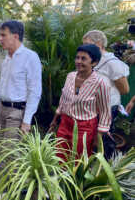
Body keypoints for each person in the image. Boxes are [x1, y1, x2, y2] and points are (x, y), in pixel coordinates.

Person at [49, 44, 111, 160]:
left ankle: (73, 178)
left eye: (83, 59)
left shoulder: (101, 83)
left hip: (85, 127)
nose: (78, 61)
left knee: (77, 160)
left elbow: (105, 111)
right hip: (65, 123)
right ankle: (60, 178)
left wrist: (99, 136)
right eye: (77, 58)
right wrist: (54, 120)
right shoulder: (70, 76)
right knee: (59, 155)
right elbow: (63, 100)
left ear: (94, 62)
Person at [82, 30, 130, 159]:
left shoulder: (112, 63)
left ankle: (107, 169)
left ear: (98, 44)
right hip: (92, 108)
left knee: (104, 140)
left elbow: (125, 89)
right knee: (92, 139)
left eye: (87, 44)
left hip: (107, 108)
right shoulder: (94, 59)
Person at [0, 20, 42, 138]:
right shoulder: (7, 59)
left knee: (10, 153)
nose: (0, 39)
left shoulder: (30, 57)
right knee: (2, 150)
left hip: (16, 113)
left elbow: (34, 91)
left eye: (3, 35)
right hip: (3, 109)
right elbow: (1, 85)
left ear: (15, 36)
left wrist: (26, 120)